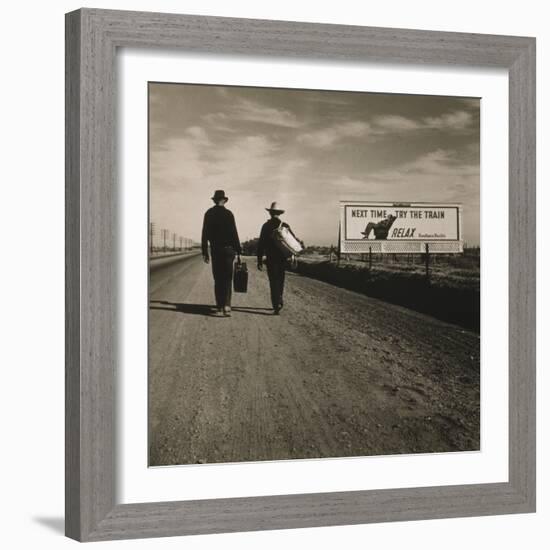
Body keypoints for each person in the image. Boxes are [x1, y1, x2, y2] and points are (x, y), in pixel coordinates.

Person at [201, 190, 241, 317]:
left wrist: (205, 252)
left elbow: (204, 234)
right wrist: (238, 250)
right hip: (229, 250)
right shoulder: (229, 214)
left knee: (218, 278)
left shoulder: (209, 213)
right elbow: (234, 233)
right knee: (228, 278)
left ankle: (219, 306)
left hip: (216, 250)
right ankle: (227, 306)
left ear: (214, 200)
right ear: (224, 200)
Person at [257, 202, 300, 315]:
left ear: (270, 213)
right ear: (279, 213)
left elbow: (261, 244)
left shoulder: (265, 226)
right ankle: (279, 298)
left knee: (273, 281)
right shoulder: (285, 225)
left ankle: (276, 304)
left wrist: (259, 260)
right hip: (282, 258)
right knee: (281, 280)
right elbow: (293, 241)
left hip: (271, 259)